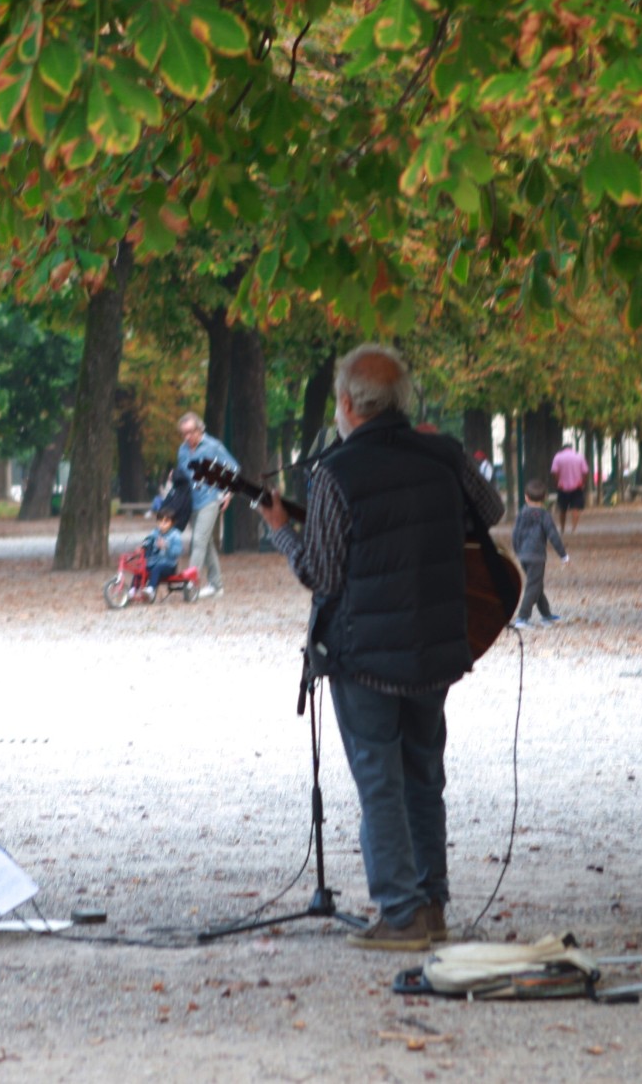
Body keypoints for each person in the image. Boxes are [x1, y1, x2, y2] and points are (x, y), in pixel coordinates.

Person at [255, 343, 504, 952]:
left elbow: (322, 574)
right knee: (423, 775)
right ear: (400, 402)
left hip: (363, 655)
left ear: (346, 404)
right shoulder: (443, 454)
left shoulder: (337, 474)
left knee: (379, 784)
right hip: (436, 648)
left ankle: (399, 914)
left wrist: (282, 533)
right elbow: (491, 509)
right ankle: (433, 906)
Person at [175, 411, 238, 597]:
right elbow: (184, 476)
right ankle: (216, 585)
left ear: (199, 429)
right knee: (206, 542)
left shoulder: (213, 446)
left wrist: (228, 493)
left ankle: (190, 586)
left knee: (199, 541)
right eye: (184, 433)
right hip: (192, 502)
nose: (187, 437)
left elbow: (233, 468)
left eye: (190, 432)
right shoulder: (182, 450)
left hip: (211, 499)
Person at [510, 480, 568, 627]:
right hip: (536, 556)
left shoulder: (521, 514)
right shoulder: (544, 515)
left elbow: (515, 535)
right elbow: (553, 535)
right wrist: (563, 554)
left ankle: (546, 615)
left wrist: (517, 551)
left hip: (523, 555)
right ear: (544, 498)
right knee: (533, 586)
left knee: (537, 585)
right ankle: (522, 617)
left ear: (526, 497)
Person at [549, 441, 589, 534]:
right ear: (572, 448)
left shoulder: (558, 457)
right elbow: (585, 471)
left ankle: (562, 529)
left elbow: (554, 471)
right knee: (575, 507)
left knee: (563, 508)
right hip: (577, 486)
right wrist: (583, 482)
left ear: (563, 449)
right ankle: (574, 529)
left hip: (562, 486)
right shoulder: (579, 456)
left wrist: (558, 482)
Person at [142, 511, 184, 595]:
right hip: (153, 562)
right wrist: (145, 544)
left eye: (166, 521)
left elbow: (177, 552)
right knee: (140, 570)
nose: (162, 524)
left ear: (172, 522)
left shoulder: (175, 535)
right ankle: (132, 590)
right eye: (160, 521)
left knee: (157, 568)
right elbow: (148, 540)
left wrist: (166, 547)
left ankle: (151, 589)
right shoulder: (155, 532)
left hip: (168, 565)